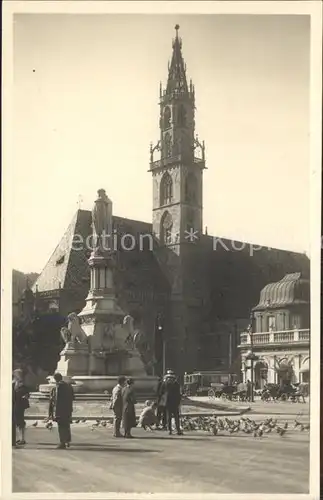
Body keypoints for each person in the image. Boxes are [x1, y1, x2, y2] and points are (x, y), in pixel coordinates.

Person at [49, 373, 74, 449]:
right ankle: (67, 441)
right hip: (68, 409)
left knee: (61, 426)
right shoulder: (69, 386)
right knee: (66, 425)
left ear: (55, 379)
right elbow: (73, 397)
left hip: (60, 410)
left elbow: (56, 400)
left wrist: (53, 412)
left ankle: (62, 442)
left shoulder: (57, 387)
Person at [160, 370, 183, 436]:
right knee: (176, 417)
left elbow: (161, 393)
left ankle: (169, 430)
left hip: (168, 402)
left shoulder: (164, 384)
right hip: (175, 402)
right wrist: (179, 402)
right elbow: (179, 394)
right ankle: (178, 430)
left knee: (169, 417)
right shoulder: (176, 384)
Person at [13, 369, 30, 446]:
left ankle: (22, 438)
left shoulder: (22, 385)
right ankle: (19, 438)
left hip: (19, 405)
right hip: (15, 405)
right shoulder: (15, 383)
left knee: (20, 422)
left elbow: (26, 396)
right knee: (17, 422)